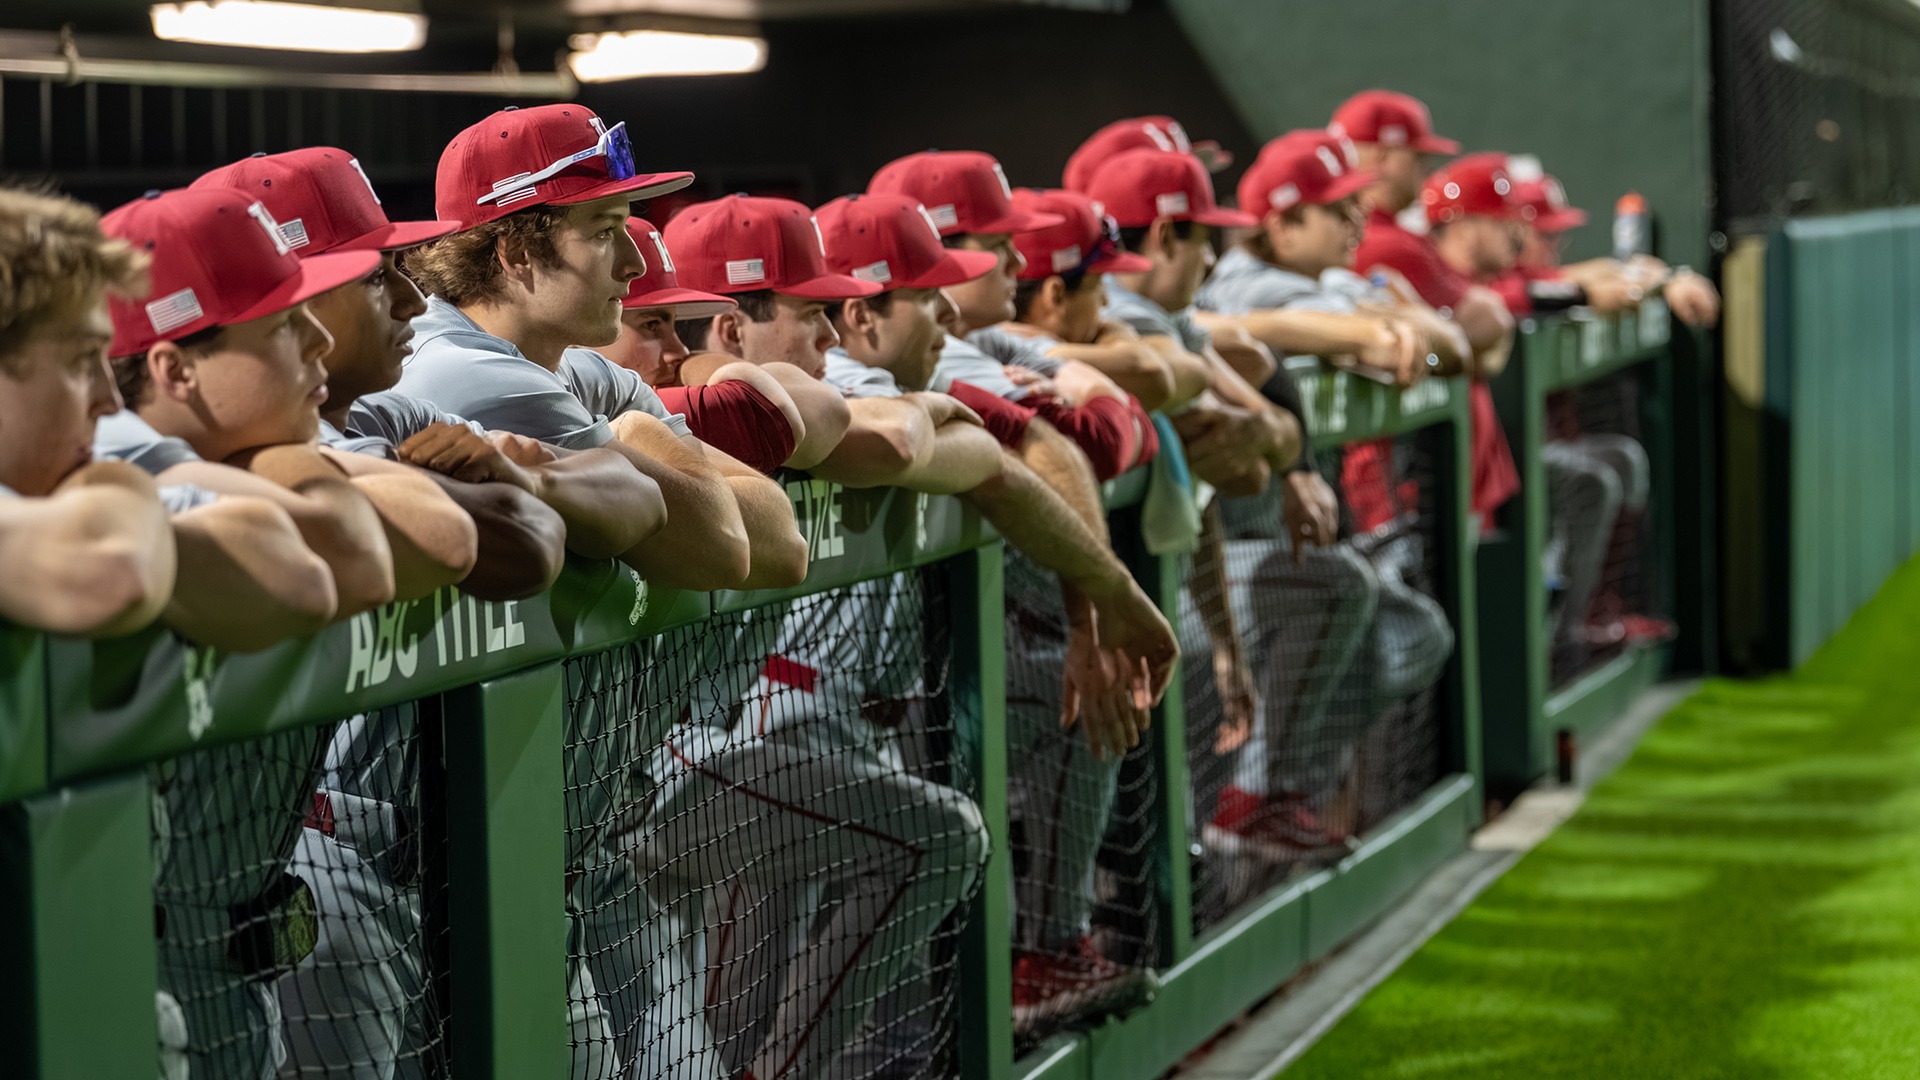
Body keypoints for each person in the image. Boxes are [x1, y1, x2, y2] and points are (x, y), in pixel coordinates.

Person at [396, 103, 807, 592]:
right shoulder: (469, 374)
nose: (634, 263)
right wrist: (636, 430)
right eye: (604, 231)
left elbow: (785, 548)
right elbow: (723, 550)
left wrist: (644, 453)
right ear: (518, 253)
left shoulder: (577, 367)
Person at [1334, 91, 1520, 532]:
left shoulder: (1397, 235)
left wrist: (1453, 353)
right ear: (1382, 155)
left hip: (1411, 475)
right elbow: (1488, 324)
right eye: (1416, 158)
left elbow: (1490, 327)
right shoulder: (1384, 243)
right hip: (1397, 481)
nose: (1424, 172)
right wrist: (1452, 353)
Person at [602, 216, 851, 475]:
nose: (679, 350)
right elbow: (771, 411)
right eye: (652, 325)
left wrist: (691, 365)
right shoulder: (588, 408)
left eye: (674, 326)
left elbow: (830, 412)